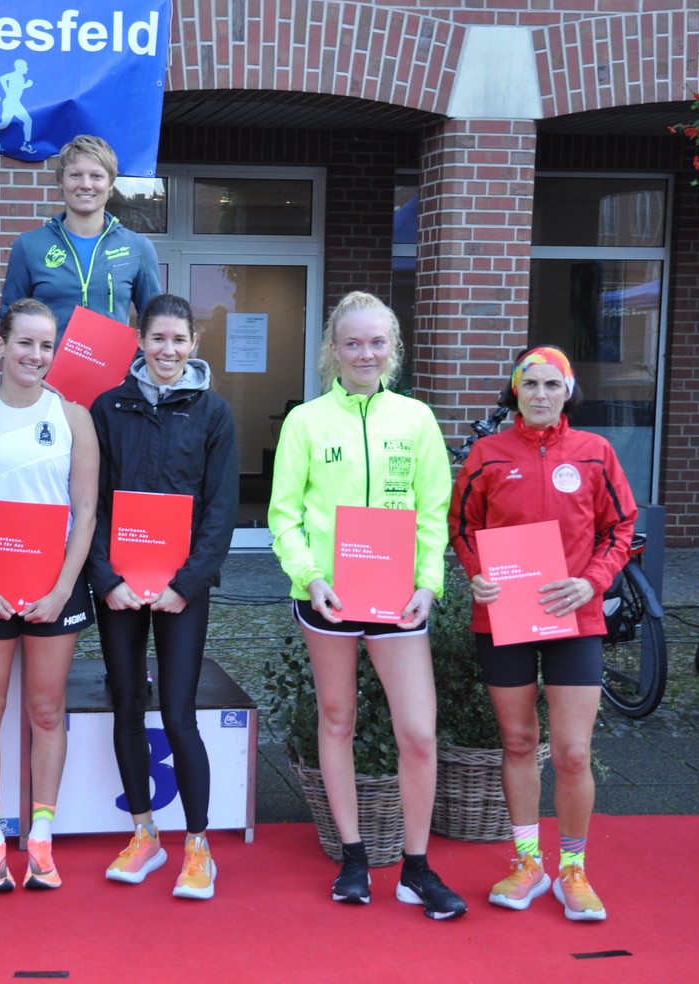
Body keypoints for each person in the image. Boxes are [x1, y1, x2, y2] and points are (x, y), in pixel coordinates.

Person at [267, 291, 466, 919]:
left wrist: (428, 584)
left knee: (419, 734)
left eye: (377, 343)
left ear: (393, 351)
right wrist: (308, 575)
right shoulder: (305, 421)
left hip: (400, 600)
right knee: (337, 722)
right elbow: (285, 515)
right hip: (328, 597)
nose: (365, 353)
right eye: (352, 343)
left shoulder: (417, 419)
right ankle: (354, 857)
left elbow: (435, 512)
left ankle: (414, 867)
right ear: (332, 350)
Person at [449, 346, 636, 922]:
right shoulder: (487, 454)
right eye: (529, 384)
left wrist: (593, 583)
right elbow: (462, 527)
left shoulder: (595, 453)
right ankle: (527, 861)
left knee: (575, 753)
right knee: (519, 743)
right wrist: (477, 576)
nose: (539, 395)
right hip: (504, 616)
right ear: (515, 391)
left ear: (567, 391)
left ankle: (573, 869)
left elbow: (622, 525)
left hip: (574, 618)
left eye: (551, 385)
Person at [0, 298, 99, 893]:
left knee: (45, 711)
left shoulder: (73, 417)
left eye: (46, 345)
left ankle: (40, 839)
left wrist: (62, 589)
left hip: (55, 579)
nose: (36, 356)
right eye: (25, 343)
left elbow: (85, 514)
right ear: (0, 344)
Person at [87, 294, 238, 899]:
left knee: (178, 713)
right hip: (119, 588)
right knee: (127, 704)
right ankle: (144, 833)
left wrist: (187, 584)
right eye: (158, 340)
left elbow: (222, 510)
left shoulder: (213, 413)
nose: (168, 351)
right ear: (139, 342)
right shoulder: (107, 407)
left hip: (183, 590)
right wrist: (107, 580)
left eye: (179, 340)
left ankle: (197, 846)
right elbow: (91, 503)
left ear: (194, 343)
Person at [0, 135, 160, 338]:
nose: (85, 184)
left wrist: (133, 364)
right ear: (60, 182)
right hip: (46, 369)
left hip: (113, 369)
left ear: (111, 183)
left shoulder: (138, 248)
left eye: (96, 176)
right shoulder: (29, 246)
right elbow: (9, 321)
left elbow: (155, 323)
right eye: (75, 175)